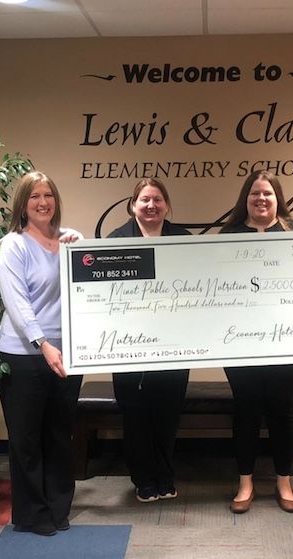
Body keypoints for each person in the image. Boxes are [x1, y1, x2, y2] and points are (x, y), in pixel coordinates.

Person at [0, 171, 83, 537]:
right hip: (24, 354)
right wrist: (42, 344)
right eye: (35, 197)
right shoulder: (13, 245)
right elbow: (18, 305)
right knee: (27, 439)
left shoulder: (69, 240)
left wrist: (80, 244)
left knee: (61, 434)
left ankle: (58, 508)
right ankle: (32, 514)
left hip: (69, 353)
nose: (43, 202)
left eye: (48, 195)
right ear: (23, 204)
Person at [220, 169, 293, 514]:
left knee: (281, 410)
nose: (261, 199)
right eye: (255, 193)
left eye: (268, 193)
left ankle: (283, 481)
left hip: (287, 344)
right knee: (245, 410)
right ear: (246, 197)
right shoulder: (228, 235)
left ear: (278, 199)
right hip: (239, 343)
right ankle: (245, 483)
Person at [107, 177, 190, 503]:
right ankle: (143, 479)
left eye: (157, 199)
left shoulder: (184, 240)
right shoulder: (115, 241)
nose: (151, 205)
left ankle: (165, 476)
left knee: (167, 415)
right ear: (133, 205)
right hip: (129, 346)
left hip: (173, 345)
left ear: (167, 205)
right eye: (144, 200)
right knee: (136, 416)